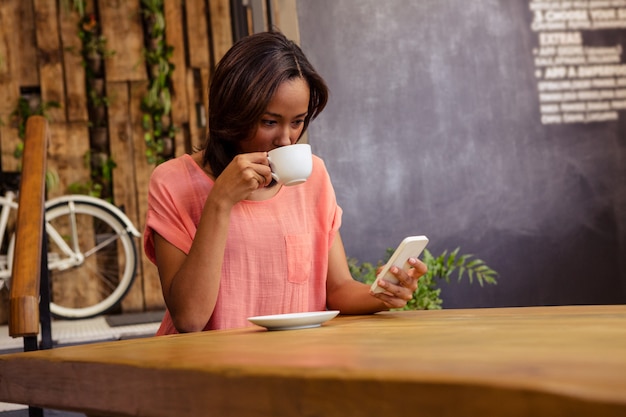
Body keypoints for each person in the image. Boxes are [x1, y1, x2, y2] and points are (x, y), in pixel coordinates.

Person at [144, 30, 427, 334]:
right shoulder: (173, 182)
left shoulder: (313, 177)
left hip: (294, 368)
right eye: (269, 121)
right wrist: (220, 201)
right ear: (233, 112)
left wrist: (381, 294)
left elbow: (338, 288)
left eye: (297, 121)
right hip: (210, 374)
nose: (285, 138)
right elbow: (189, 319)